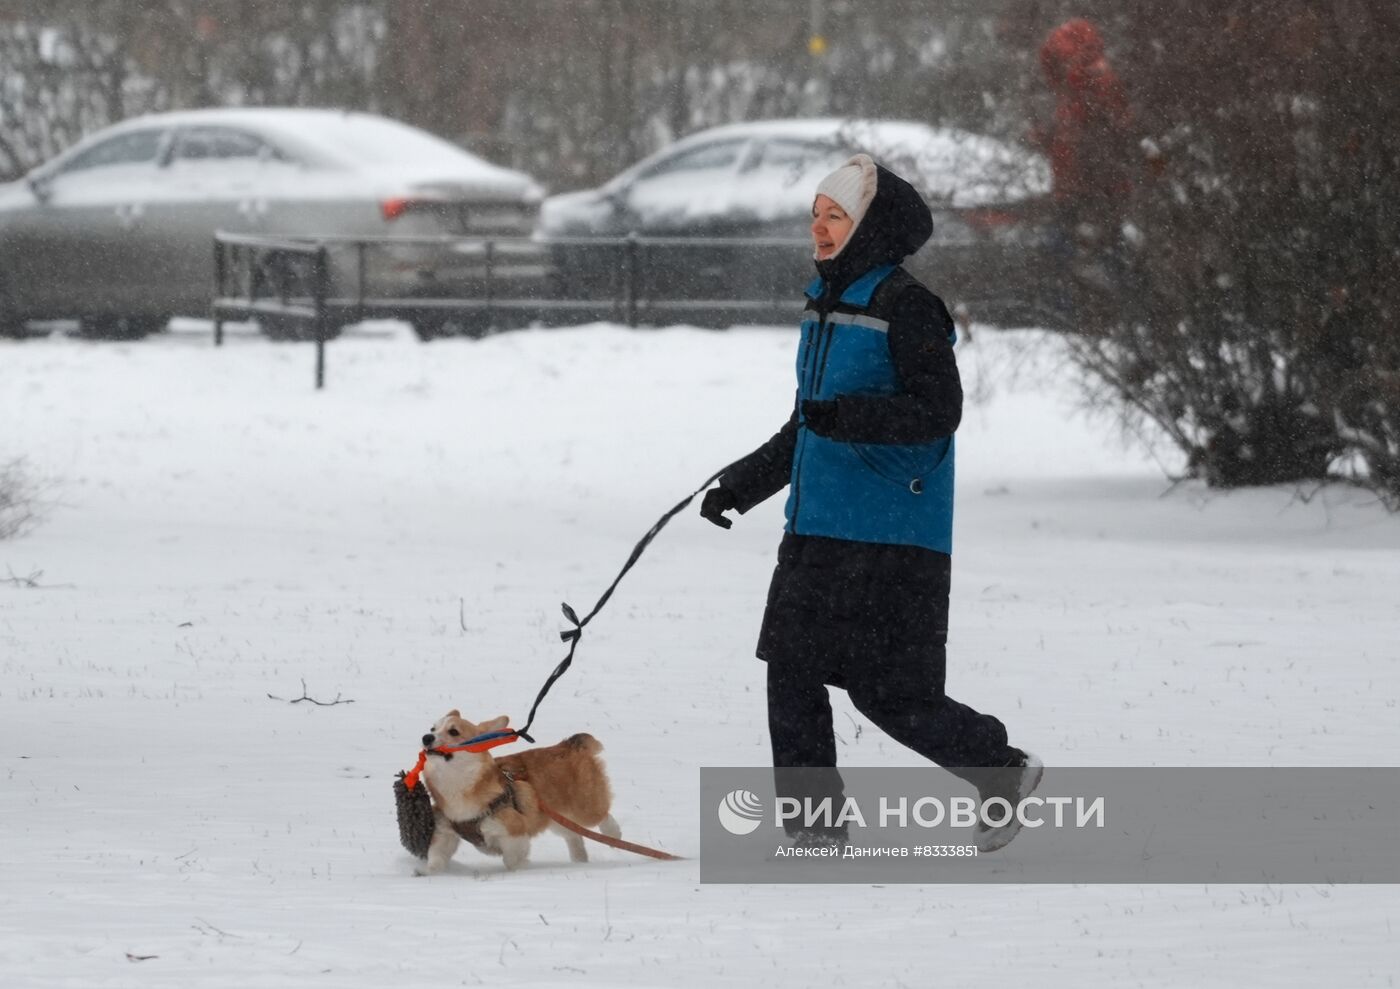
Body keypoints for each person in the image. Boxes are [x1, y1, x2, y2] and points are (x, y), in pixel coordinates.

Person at [699, 153, 1041, 853]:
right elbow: (808, 420)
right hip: (819, 527)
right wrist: (743, 483)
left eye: (836, 217)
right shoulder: (823, 305)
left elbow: (937, 411)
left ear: (870, 228)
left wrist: (851, 417)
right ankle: (814, 826)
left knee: (890, 694)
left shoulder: (907, 306)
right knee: (790, 667)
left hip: (894, 533)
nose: (820, 230)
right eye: (815, 217)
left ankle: (999, 770)